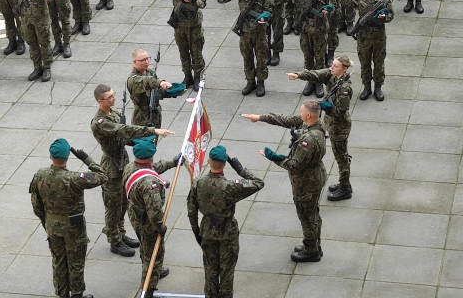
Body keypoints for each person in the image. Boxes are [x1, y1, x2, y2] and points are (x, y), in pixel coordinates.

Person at [91, 84, 175, 257]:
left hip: (122, 160)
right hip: (112, 166)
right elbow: (124, 130)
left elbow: (124, 138)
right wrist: (151, 130)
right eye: (110, 97)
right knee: (113, 206)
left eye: (114, 95)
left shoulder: (112, 114)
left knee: (123, 202)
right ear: (100, 101)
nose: (114, 99)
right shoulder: (100, 122)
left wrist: (142, 141)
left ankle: (120, 233)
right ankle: (114, 240)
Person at [242, 100, 326, 262]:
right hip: (315, 175)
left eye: (302, 111)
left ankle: (311, 251)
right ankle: (314, 244)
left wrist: (273, 157)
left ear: (308, 115)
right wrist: (260, 117)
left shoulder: (307, 141)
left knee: (307, 215)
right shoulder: (316, 125)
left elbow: (293, 165)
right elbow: (286, 119)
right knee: (313, 213)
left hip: (306, 182)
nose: (299, 113)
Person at [30, 138, 107, 298]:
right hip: (74, 227)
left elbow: (36, 205)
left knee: (58, 262)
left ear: (51, 156)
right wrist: (85, 158)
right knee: (76, 263)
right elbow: (102, 176)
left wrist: (47, 222)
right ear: (67, 157)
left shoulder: (40, 175)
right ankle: (77, 294)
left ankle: (62, 295)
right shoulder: (75, 178)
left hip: (52, 225)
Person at [187, 146, 264, 298]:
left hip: (207, 231)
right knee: (227, 271)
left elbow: (191, 211)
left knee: (210, 270)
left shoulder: (198, 183)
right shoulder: (230, 186)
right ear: (225, 164)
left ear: (208, 162)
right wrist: (240, 169)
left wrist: (197, 232)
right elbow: (258, 183)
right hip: (227, 233)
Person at [286, 55, 354, 200]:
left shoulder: (344, 88)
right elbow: (315, 74)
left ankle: (345, 187)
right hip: (331, 122)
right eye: (332, 65)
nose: (331, 67)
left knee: (341, 156)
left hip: (339, 126)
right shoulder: (332, 75)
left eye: (335, 66)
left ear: (344, 69)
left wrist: (326, 107)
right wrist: (298, 75)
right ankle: (344, 183)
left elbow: (340, 111)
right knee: (340, 155)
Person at [123, 137, 178, 298]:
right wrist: (161, 228)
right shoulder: (151, 184)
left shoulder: (129, 167)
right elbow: (154, 212)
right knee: (154, 255)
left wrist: (172, 162)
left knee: (145, 247)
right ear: (151, 157)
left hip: (134, 214)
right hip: (148, 223)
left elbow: (152, 169)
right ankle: (148, 289)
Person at [279, 0, 336, 98]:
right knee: (308, 58)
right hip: (304, 27)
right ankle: (310, 81)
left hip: (320, 28)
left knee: (320, 59)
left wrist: (328, 10)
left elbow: (333, 4)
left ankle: (319, 83)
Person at [217, 0, 273, 97]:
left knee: (261, 58)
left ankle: (260, 82)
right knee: (247, 57)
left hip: (259, 31)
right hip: (245, 30)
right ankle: (250, 81)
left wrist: (265, 17)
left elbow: (270, 9)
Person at [155, 0, 207, 92]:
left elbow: (203, 3)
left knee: (196, 53)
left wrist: (194, 1)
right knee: (183, 52)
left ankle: (197, 77)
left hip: (193, 25)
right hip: (179, 24)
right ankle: (187, 76)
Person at [341, 0, 394, 101]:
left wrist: (384, 17)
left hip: (379, 38)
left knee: (379, 64)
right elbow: (346, 3)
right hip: (363, 38)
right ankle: (366, 87)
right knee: (365, 64)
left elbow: (391, 15)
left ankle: (378, 87)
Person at [6, 0, 55, 81]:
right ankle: (37, 67)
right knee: (31, 43)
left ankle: (47, 68)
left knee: (44, 42)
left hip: (40, 15)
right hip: (25, 16)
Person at [127, 47, 185, 127]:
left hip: (155, 114)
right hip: (142, 120)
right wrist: (160, 82)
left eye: (148, 58)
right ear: (134, 62)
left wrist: (172, 92)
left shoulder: (149, 71)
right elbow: (147, 81)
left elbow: (156, 91)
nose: (146, 62)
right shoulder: (133, 80)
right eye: (142, 60)